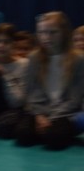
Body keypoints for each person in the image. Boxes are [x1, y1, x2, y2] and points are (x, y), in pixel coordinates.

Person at [15, 12, 84, 150]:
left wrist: (52, 117)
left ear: (64, 32)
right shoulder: (33, 58)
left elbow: (74, 100)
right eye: (42, 32)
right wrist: (39, 115)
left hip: (64, 113)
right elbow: (30, 93)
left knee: (54, 139)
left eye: (52, 32)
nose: (46, 37)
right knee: (23, 136)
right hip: (39, 110)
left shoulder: (78, 60)